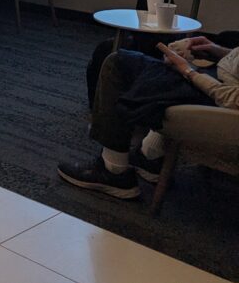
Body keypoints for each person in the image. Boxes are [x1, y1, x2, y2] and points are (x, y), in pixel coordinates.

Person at [58, 39, 239, 199]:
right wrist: (217, 50)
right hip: (218, 81)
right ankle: (150, 156)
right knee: (149, 64)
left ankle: (113, 170)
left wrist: (188, 71)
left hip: (218, 101)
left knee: (118, 63)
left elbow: (233, 99)